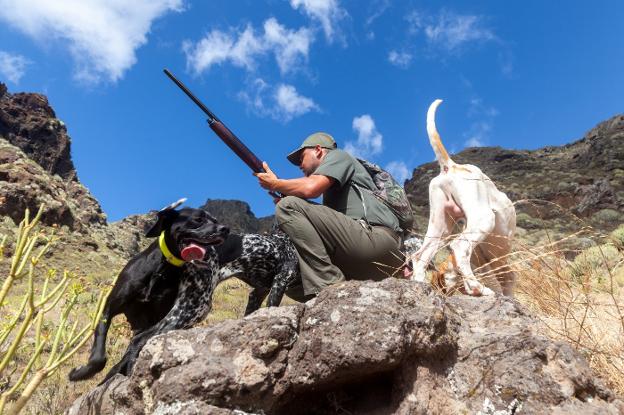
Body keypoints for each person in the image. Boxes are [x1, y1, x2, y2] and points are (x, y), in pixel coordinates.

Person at [255, 132, 403, 301]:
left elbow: (311, 188)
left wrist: (277, 184)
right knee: (294, 283)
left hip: (377, 240)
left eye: (301, 157)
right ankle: (340, 298)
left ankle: (331, 290)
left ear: (318, 150)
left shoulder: (338, 156)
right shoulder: (332, 193)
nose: (299, 165)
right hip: (371, 259)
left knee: (288, 205)